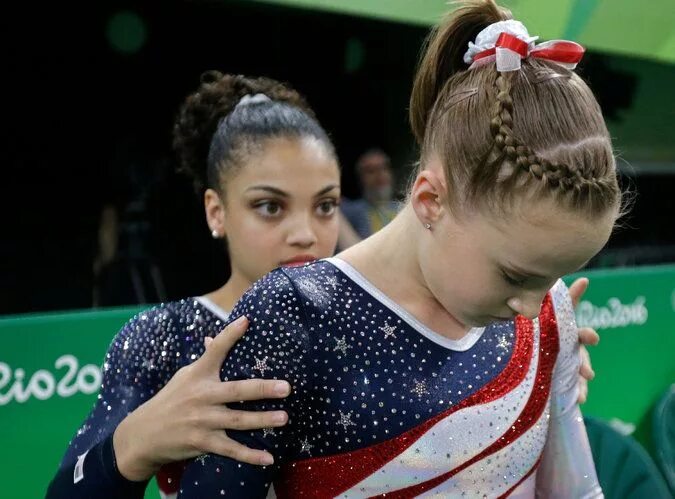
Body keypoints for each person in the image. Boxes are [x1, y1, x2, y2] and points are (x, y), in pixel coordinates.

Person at [172, 1, 622, 497]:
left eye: (553, 276)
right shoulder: (292, 317)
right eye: (516, 277)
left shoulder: (549, 313)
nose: (532, 308)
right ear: (431, 201)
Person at [46, 72, 343, 498]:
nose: (305, 233)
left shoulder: (369, 318)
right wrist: (136, 443)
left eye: (325, 205)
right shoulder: (164, 337)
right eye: (270, 206)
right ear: (216, 212)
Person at [340, 148, 401, 244]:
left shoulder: (402, 208)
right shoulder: (351, 210)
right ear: (360, 178)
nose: (380, 175)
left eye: (384, 168)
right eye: (371, 171)